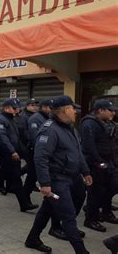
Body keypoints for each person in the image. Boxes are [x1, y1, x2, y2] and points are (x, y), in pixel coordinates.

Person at [25, 95, 91, 254]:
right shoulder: (49, 129)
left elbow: (77, 153)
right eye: (72, 108)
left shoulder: (70, 128)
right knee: (68, 217)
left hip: (72, 177)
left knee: (47, 209)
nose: (75, 111)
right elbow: (40, 158)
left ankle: (32, 239)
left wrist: (85, 171)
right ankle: (81, 251)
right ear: (64, 110)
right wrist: (45, 183)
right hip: (57, 180)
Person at [27, 99, 67, 240]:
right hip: (51, 172)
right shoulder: (38, 120)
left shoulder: (64, 126)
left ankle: (36, 236)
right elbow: (36, 141)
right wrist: (44, 182)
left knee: (51, 204)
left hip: (61, 173)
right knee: (52, 201)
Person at [0, 99, 36, 212]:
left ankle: (24, 204)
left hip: (12, 156)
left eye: (18, 108)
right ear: (7, 108)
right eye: (15, 108)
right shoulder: (0, 120)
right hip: (3, 155)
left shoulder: (12, 120)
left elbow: (16, 138)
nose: (17, 110)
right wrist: (12, 151)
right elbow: (2, 138)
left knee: (17, 179)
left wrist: (23, 153)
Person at [81, 99, 118, 232]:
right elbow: (90, 146)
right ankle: (91, 218)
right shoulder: (89, 124)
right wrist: (99, 162)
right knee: (95, 192)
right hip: (96, 164)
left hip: (109, 162)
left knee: (110, 187)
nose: (113, 113)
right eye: (110, 110)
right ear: (101, 111)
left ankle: (106, 212)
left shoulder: (108, 123)